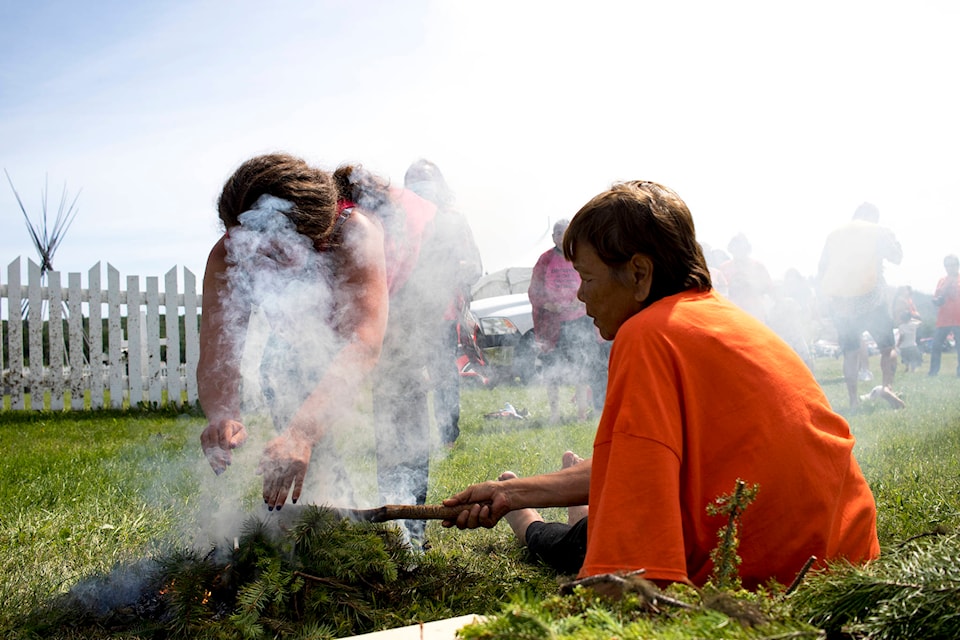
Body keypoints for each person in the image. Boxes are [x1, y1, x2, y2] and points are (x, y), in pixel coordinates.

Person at [443, 180, 880, 590]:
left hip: (768, 568)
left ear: (639, 274)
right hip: (844, 552)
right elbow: (637, 465)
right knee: (590, 526)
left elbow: (635, 554)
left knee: (569, 545)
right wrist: (506, 493)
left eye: (589, 279)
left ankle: (528, 524)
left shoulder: (647, 333)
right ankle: (539, 508)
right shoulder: (718, 316)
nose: (580, 296)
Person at [198, 153, 389, 511]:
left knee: (394, 415)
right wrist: (222, 414)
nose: (258, 258)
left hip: (388, 313)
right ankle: (320, 514)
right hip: (298, 339)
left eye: (276, 252)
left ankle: (407, 532)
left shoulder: (352, 232)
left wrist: (303, 432)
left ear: (313, 234)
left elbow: (364, 342)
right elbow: (217, 352)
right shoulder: (229, 253)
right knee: (296, 424)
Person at [334, 164, 450, 546]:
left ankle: (409, 530)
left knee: (402, 411)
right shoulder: (335, 219)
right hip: (384, 292)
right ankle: (332, 514)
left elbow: (423, 287)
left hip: (406, 301)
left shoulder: (381, 223)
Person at [403, 159, 483, 446]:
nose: (420, 187)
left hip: (443, 312)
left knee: (442, 374)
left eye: (425, 180)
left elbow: (475, 265)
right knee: (409, 375)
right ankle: (414, 437)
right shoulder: (402, 217)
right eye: (414, 181)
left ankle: (447, 434)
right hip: (409, 313)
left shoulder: (453, 218)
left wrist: (458, 267)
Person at [816, 202, 904, 410]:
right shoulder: (877, 231)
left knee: (851, 353)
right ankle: (887, 386)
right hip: (871, 298)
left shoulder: (835, 234)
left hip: (842, 303)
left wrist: (826, 299)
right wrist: (894, 242)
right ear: (873, 217)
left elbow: (822, 268)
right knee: (887, 348)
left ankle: (853, 401)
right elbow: (896, 258)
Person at [528, 219, 607, 422]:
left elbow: (596, 283)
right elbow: (534, 291)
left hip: (581, 321)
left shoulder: (582, 255)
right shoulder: (544, 260)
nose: (560, 237)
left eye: (564, 232)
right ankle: (555, 415)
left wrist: (581, 301)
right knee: (552, 371)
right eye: (557, 233)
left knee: (582, 367)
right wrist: (548, 305)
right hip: (554, 326)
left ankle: (581, 414)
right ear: (553, 237)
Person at [718, 233, 773, 323]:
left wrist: (750, 284)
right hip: (732, 314)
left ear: (747, 249)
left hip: (754, 313)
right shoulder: (724, 268)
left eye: (741, 247)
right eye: (735, 246)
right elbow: (719, 291)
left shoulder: (758, 266)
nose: (738, 250)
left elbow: (768, 289)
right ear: (731, 249)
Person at [928, 254, 960, 377]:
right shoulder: (942, 280)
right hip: (943, 319)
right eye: (947, 265)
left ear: (957, 265)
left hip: (958, 318)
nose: (950, 268)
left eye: (953, 265)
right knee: (936, 345)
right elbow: (936, 297)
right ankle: (933, 372)